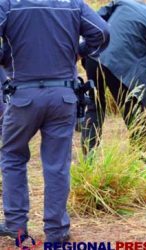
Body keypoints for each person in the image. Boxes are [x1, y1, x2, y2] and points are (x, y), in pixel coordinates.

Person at [0, 0, 109, 243]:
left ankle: (16, 226)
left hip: (23, 97)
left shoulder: (8, 3)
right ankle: (56, 231)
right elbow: (102, 33)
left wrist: (5, 57)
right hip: (63, 96)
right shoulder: (72, 3)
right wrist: (78, 52)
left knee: (12, 156)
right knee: (57, 164)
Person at [81, 0, 146, 154]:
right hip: (118, 68)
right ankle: (145, 159)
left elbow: (98, 15)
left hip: (94, 58)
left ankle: (89, 158)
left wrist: (84, 39)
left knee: (94, 107)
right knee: (133, 113)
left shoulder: (125, 3)